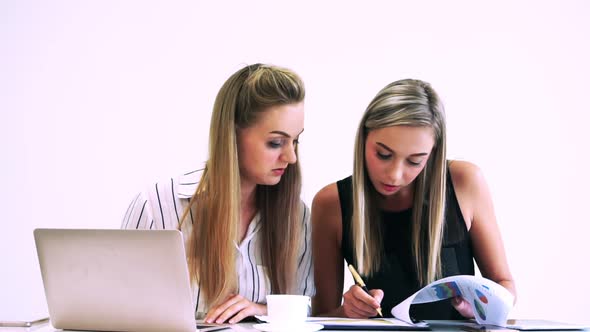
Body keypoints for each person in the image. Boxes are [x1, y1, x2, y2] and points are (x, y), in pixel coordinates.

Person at [121, 64, 314, 324]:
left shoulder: (297, 216)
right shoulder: (156, 208)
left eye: (295, 141)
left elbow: (307, 310)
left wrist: (263, 310)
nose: (290, 157)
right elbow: (119, 310)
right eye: (276, 143)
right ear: (232, 135)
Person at [311, 79, 516, 319]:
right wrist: (347, 311)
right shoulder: (331, 204)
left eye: (415, 161)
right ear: (364, 138)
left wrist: (482, 307)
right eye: (384, 154)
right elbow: (321, 318)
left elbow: (504, 284)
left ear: (433, 153)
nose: (395, 175)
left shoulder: (465, 182)